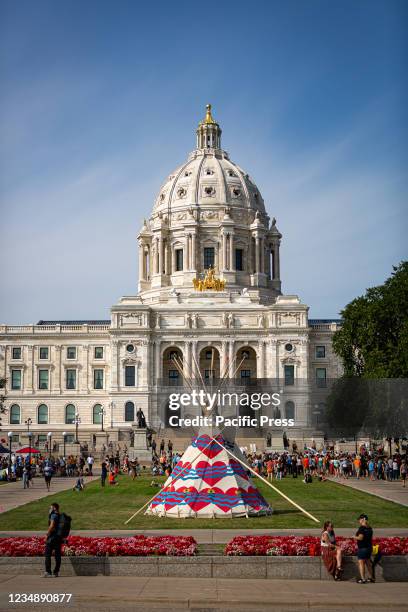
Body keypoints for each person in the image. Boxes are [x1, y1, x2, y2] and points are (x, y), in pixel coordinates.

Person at [354, 513, 374, 583]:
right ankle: (371, 578)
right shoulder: (369, 528)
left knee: (361, 563)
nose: (359, 521)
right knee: (368, 562)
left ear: (363, 519)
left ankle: (362, 579)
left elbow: (360, 538)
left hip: (362, 548)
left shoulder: (362, 528)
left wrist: (354, 537)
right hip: (369, 547)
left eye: (359, 519)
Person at [44, 502, 62, 578]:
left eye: (50, 508)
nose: (49, 509)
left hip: (52, 538)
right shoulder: (60, 515)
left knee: (47, 554)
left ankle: (48, 572)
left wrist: (47, 534)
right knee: (57, 555)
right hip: (58, 537)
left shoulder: (53, 515)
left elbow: (51, 526)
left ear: (54, 508)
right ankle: (56, 572)